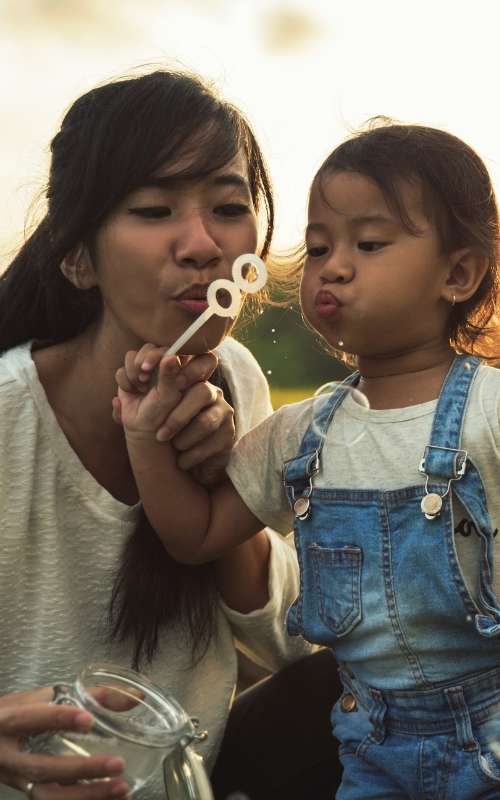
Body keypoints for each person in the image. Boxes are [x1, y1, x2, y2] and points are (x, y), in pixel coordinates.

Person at [117, 120, 500, 798]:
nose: (334, 266)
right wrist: (147, 439)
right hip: (369, 749)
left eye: (369, 243)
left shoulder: (490, 412)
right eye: (318, 246)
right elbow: (196, 534)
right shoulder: (303, 435)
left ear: (460, 272)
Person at [0, 68, 329, 800]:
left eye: (228, 206)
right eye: (152, 209)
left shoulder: (232, 376)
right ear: (78, 256)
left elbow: (291, 640)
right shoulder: (7, 422)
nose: (203, 243)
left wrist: (221, 498)